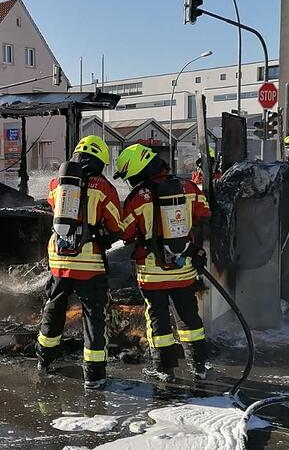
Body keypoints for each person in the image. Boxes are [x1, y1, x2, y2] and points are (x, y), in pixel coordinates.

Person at [114, 144, 212, 382]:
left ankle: (164, 370)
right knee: (189, 318)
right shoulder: (188, 187)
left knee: (157, 318)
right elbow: (205, 215)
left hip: (152, 273)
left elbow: (125, 232)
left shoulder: (138, 197)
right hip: (183, 269)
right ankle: (198, 366)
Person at [38, 135, 125, 390]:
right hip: (88, 263)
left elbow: (56, 209)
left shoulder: (57, 183)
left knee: (54, 308)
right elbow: (117, 226)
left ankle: (44, 359)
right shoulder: (103, 187)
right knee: (93, 315)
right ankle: (94, 375)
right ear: (100, 158)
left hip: (58, 259)